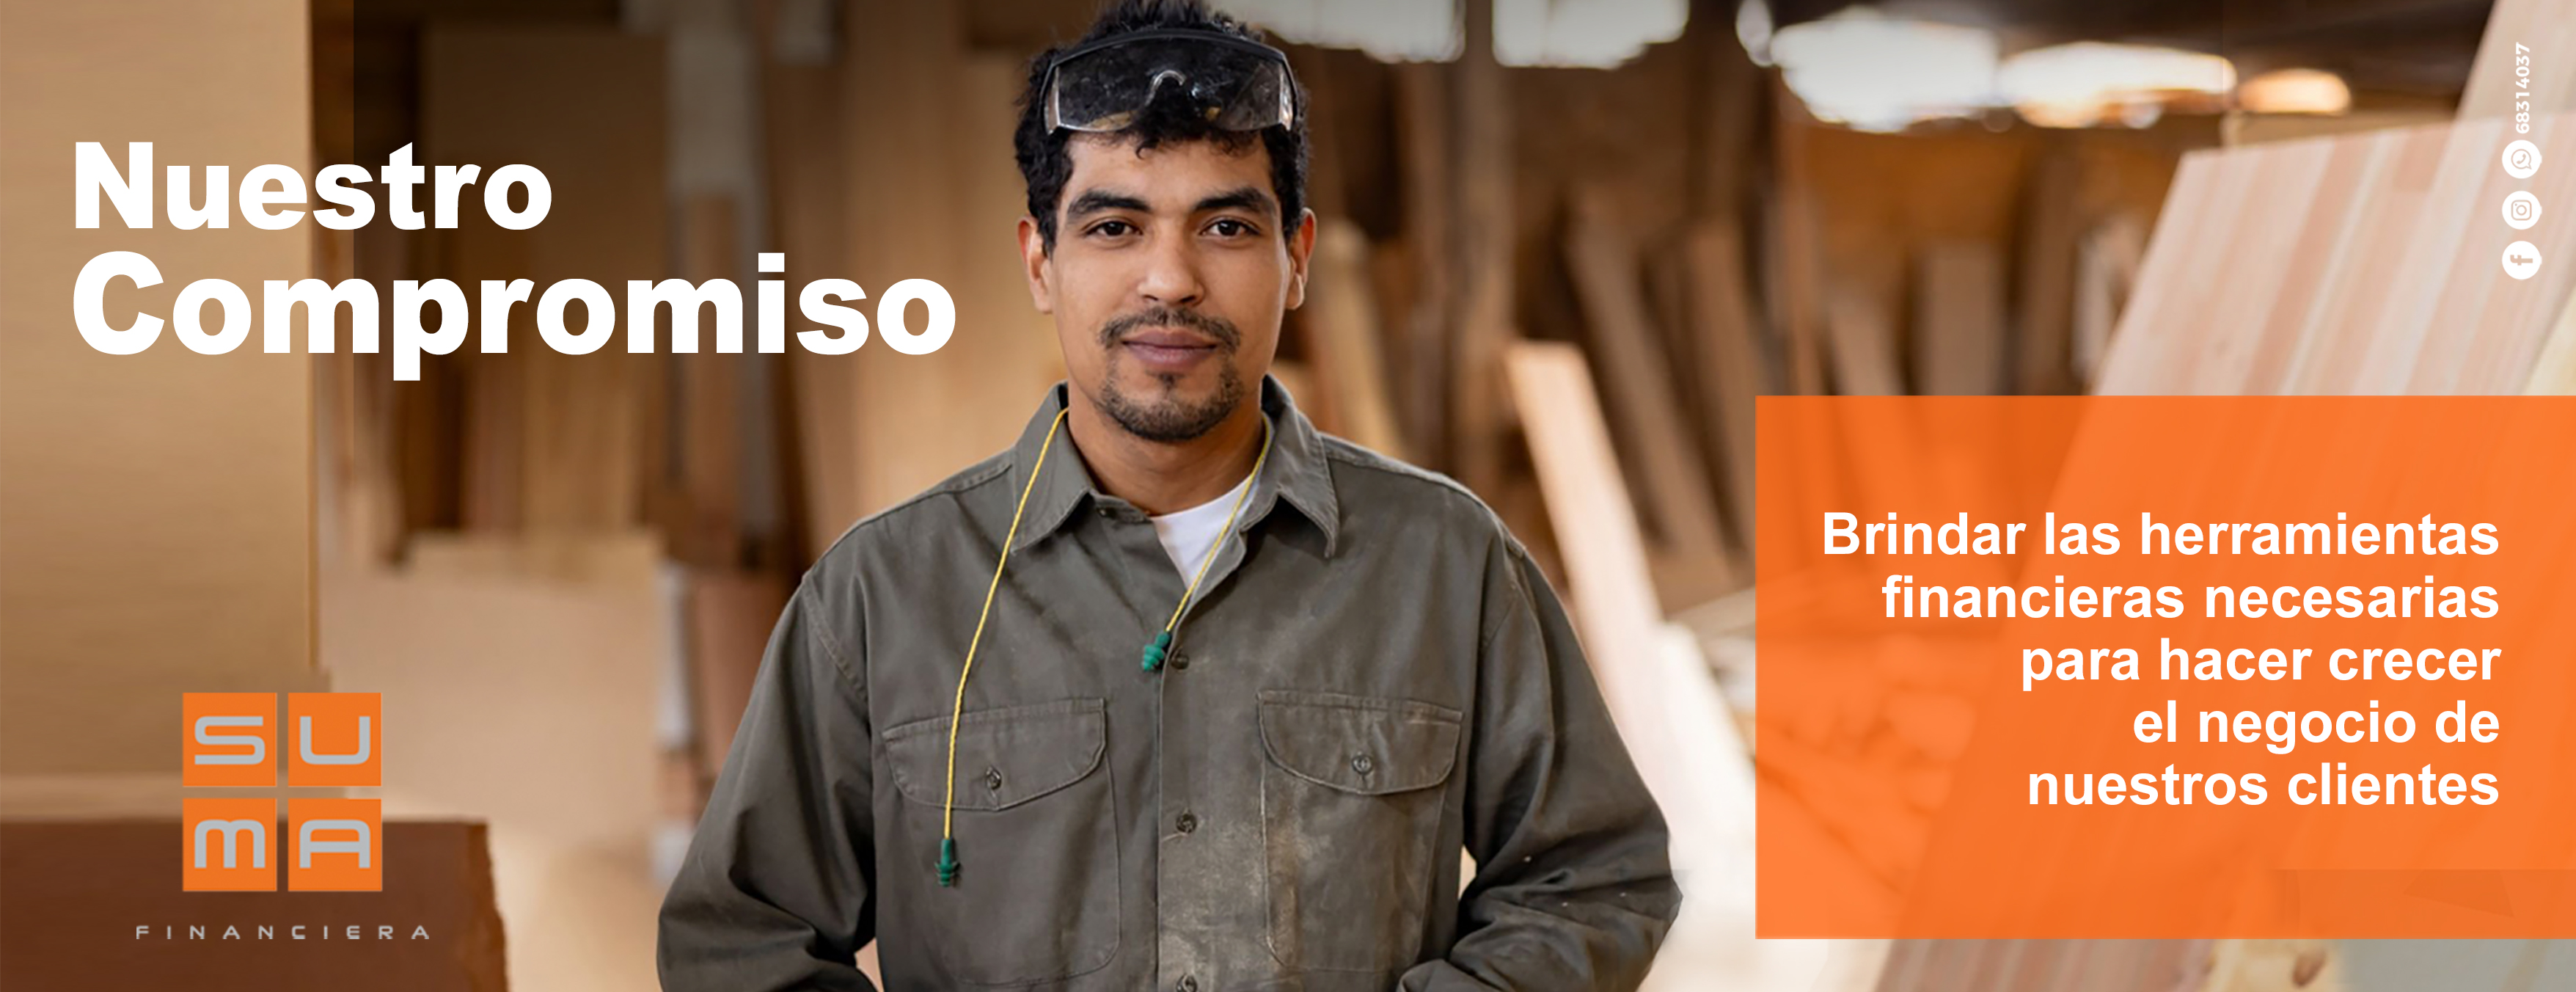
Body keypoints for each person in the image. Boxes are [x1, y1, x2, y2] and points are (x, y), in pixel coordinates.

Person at [656, 1, 1677, 988]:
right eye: (1113, 228)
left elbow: (1592, 881)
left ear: (1298, 261)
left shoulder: (1447, 564)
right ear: (1039, 262)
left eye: (1227, 227)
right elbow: (743, 941)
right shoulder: (882, 595)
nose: (1170, 280)